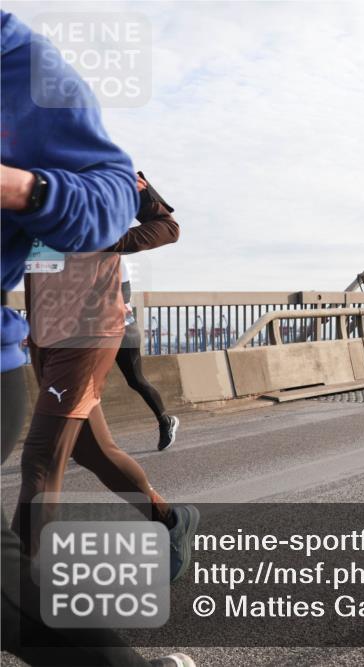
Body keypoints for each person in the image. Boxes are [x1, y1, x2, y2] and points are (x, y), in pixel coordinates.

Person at [0, 10, 195, 666]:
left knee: (39, 460)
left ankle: (34, 599)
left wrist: (109, 240)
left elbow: (166, 226)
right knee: (90, 447)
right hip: (44, 319)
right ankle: (169, 519)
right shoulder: (32, 135)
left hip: (92, 318)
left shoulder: (117, 172)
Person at [111, 173, 181, 451]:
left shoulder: (116, 174)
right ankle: (85, 442)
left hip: (117, 308)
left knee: (135, 378)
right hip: (80, 311)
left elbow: (169, 229)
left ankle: (165, 421)